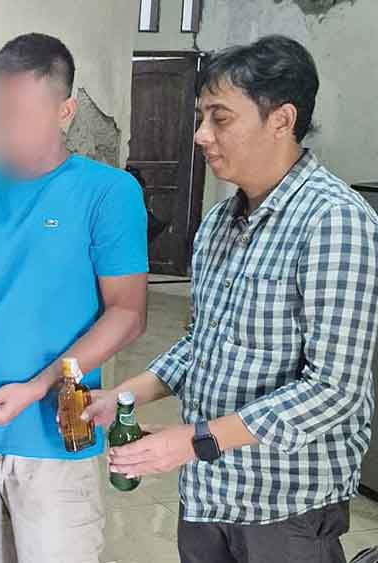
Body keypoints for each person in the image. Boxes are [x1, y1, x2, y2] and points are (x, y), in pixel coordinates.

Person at [88, 35, 378, 563]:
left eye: (220, 118)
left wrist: (195, 440)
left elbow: (333, 389)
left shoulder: (334, 221)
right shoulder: (221, 221)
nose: (201, 135)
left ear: (282, 120)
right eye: (201, 118)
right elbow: (203, 342)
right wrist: (125, 395)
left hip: (284, 504)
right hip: (209, 490)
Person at [0, 33, 148, 562]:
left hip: (55, 438)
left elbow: (129, 314)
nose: (5, 131)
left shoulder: (107, 193)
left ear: (65, 111)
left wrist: (38, 386)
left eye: (21, 115)